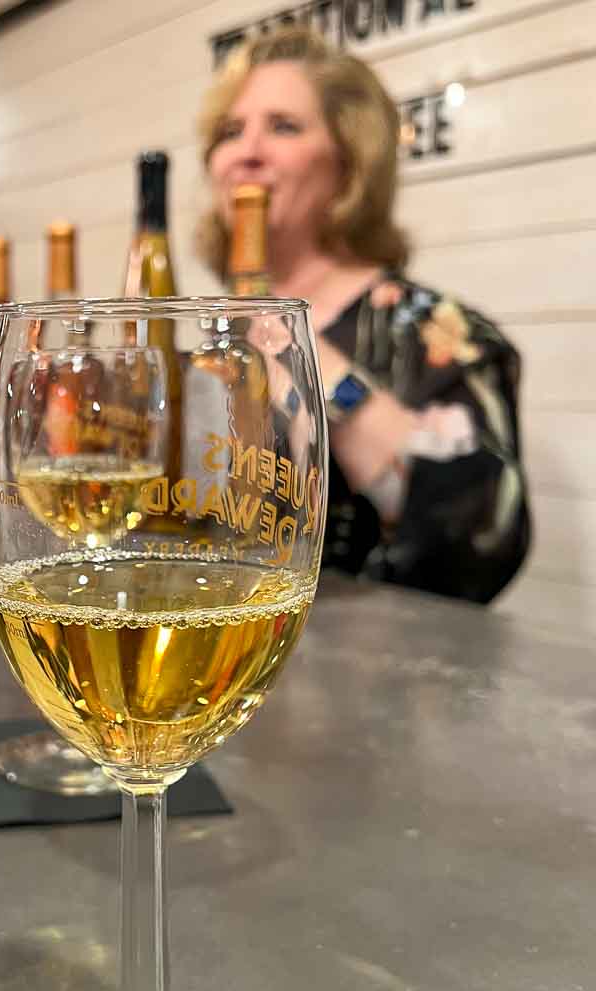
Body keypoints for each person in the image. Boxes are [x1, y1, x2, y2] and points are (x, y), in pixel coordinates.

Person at [197, 27, 530, 603]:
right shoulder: (211, 339)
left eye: (283, 126)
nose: (246, 153)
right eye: (231, 132)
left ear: (351, 164)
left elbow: (483, 546)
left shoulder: (439, 337)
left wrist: (315, 370)